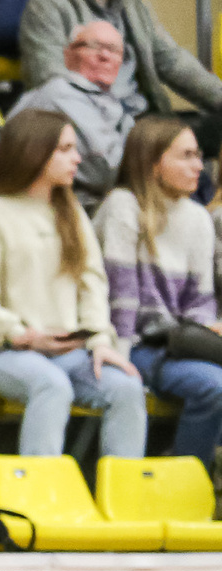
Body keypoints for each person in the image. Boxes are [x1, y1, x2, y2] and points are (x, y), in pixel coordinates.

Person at [0, 109, 145, 460]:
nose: (77, 158)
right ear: (34, 152)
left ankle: (123, 500)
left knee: (127, 388)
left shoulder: (70, 210)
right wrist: (22, 335)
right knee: (51, 386)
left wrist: (100, 341)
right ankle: (40, 497)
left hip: (68, 351)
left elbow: (93, 285)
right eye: (65, 149)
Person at [20, 0, 222, 160]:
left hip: (143, 118)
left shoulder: (130, 0)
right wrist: (109, 123)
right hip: (92, 124)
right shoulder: (50, 1)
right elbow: (48, 75)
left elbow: (171, 60)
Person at [100, 116, 222, 465]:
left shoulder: (198, 218)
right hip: (132, 344)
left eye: (199, 155)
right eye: (186, 156)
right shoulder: (123, 206)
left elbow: (199, 301)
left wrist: (207, 330)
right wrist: (120, 362)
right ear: (153, 163)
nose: (199, 165)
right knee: (215, 387)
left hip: (175, 343)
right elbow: (120, 299)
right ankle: (182, 486)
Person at [19, 21, 134, 210]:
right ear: (68, 55)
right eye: (93, 47)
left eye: (113, 50)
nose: (105, 56)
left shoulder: (112, 101)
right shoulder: (60, 93)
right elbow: (104, 171)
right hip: (58, 209)